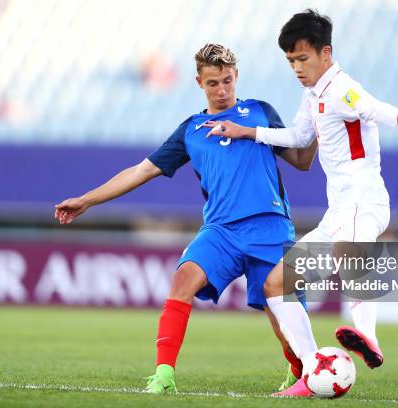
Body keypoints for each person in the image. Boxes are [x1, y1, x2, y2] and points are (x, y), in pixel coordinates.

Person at [55, 43, 318, 394]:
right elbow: (139, 171)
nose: (222, 90)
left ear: (236, 76)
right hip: (220, 231)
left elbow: (301, 161)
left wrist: (318, 123)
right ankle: (163, 375)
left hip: (269, 225)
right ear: (199, 83)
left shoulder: (260, 112)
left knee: (280, 314)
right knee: (183, 279)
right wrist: (86, 201)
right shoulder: (191, 130)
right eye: (213, 83)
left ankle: (299, 368)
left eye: (227, 80)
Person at [205, 10, 398, 396]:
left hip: (363, 199)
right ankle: (313, 371)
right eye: (290, 60)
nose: (296, 67)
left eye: (302, 58)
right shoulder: (313, 96)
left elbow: (371, 106)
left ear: (326, 53)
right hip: (339, 210)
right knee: (278, 283)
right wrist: (244, 131)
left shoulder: (342, 87)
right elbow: (297, 136)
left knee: (350, 255)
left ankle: (369, 338)